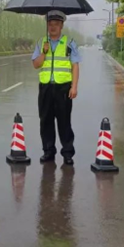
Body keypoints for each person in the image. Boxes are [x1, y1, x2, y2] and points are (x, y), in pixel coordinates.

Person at [31, 10, 81, 165]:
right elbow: (36, 64)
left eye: (56, 24)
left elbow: (75, 65)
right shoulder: (41, 42)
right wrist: (44, 53)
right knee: (45, 121)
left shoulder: (69, 42)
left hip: (63, 88)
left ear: (61, 26)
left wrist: (74, 86)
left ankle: (67, 153)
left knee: (64, 121)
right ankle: (48, 151)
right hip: (45, 87)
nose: (53, 27)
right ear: (47, 25)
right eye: (50, 24)